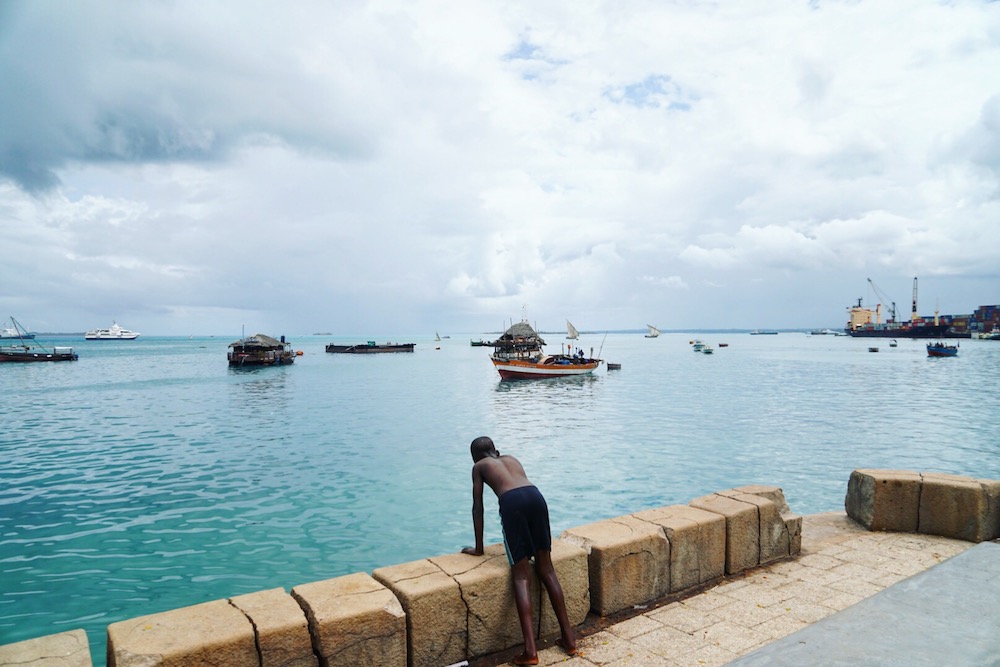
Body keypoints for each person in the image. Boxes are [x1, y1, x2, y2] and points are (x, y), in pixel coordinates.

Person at [461, 436, 577, 665]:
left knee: (521, 577)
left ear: (475, 457)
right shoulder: (511, 458)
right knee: (547, 569)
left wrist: (479, 548)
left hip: (512, 503)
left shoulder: (479, 467)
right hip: (536, 496)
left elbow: (478, 507)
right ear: (496, 450)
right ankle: (569, 640)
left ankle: (531, 651)